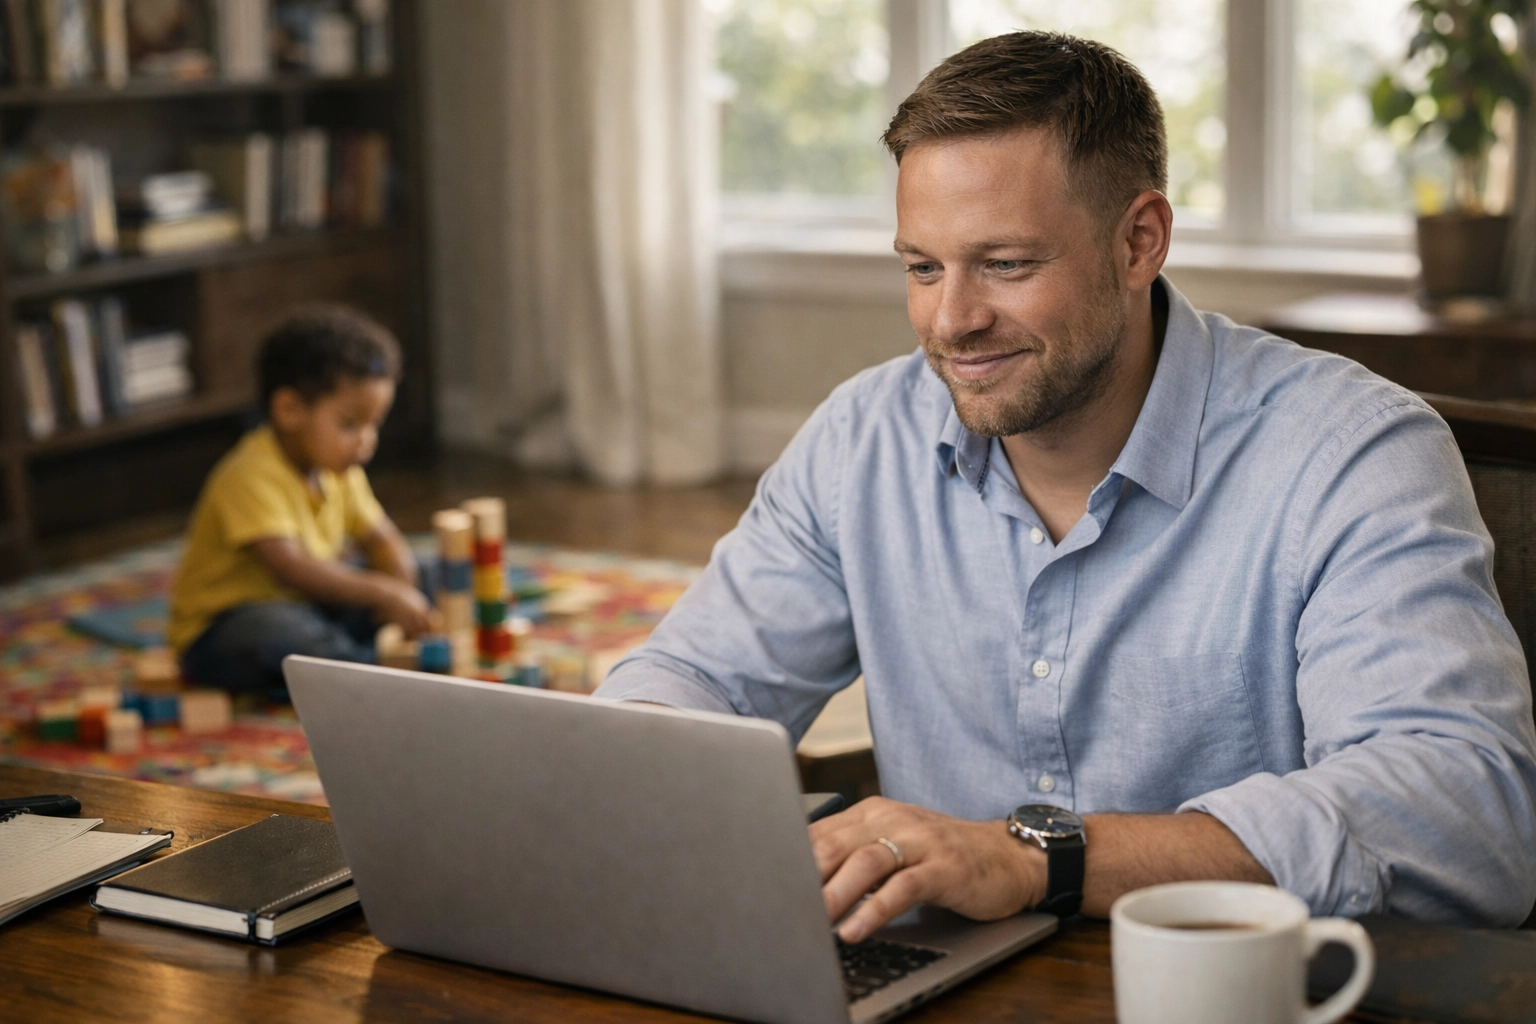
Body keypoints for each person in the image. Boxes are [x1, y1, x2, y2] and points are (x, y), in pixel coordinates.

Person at [596, 31, 1536, 937]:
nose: (952, 321)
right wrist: (613, 760)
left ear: (1139, 243)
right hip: (940, 976)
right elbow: (695, 679)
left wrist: (1036, 858)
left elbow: (1466, 816)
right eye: (923, 268)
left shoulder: (1350, 453)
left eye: (1006, 265)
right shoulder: (862, 438)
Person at [170, 304, 432, 694]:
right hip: (225, 626)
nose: (367, 440)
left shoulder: (341, 470)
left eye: (374, 424)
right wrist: (384, 593)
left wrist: (403, 588)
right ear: (289, 410)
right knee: (280, 633)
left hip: (309, 605)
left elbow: (382, 540)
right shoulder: (250, 473)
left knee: (433, 570)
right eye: (350, 424)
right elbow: (290, 568)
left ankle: (364, 656)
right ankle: (362, 672)